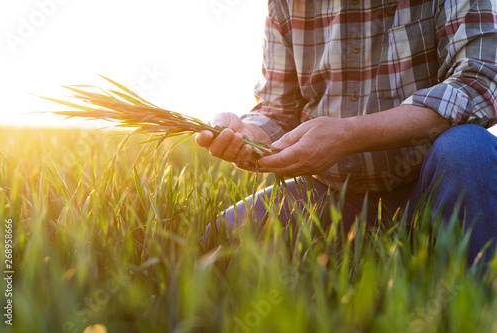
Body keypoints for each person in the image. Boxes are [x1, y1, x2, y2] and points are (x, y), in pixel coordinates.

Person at [196, 0, 497, 265]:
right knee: (219, 239)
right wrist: (245, 135)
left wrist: (348, 135)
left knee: (468, 148)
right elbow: (278, 111)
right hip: (329, 196)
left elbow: (478, 85)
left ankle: (480, 299)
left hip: (431, 189)